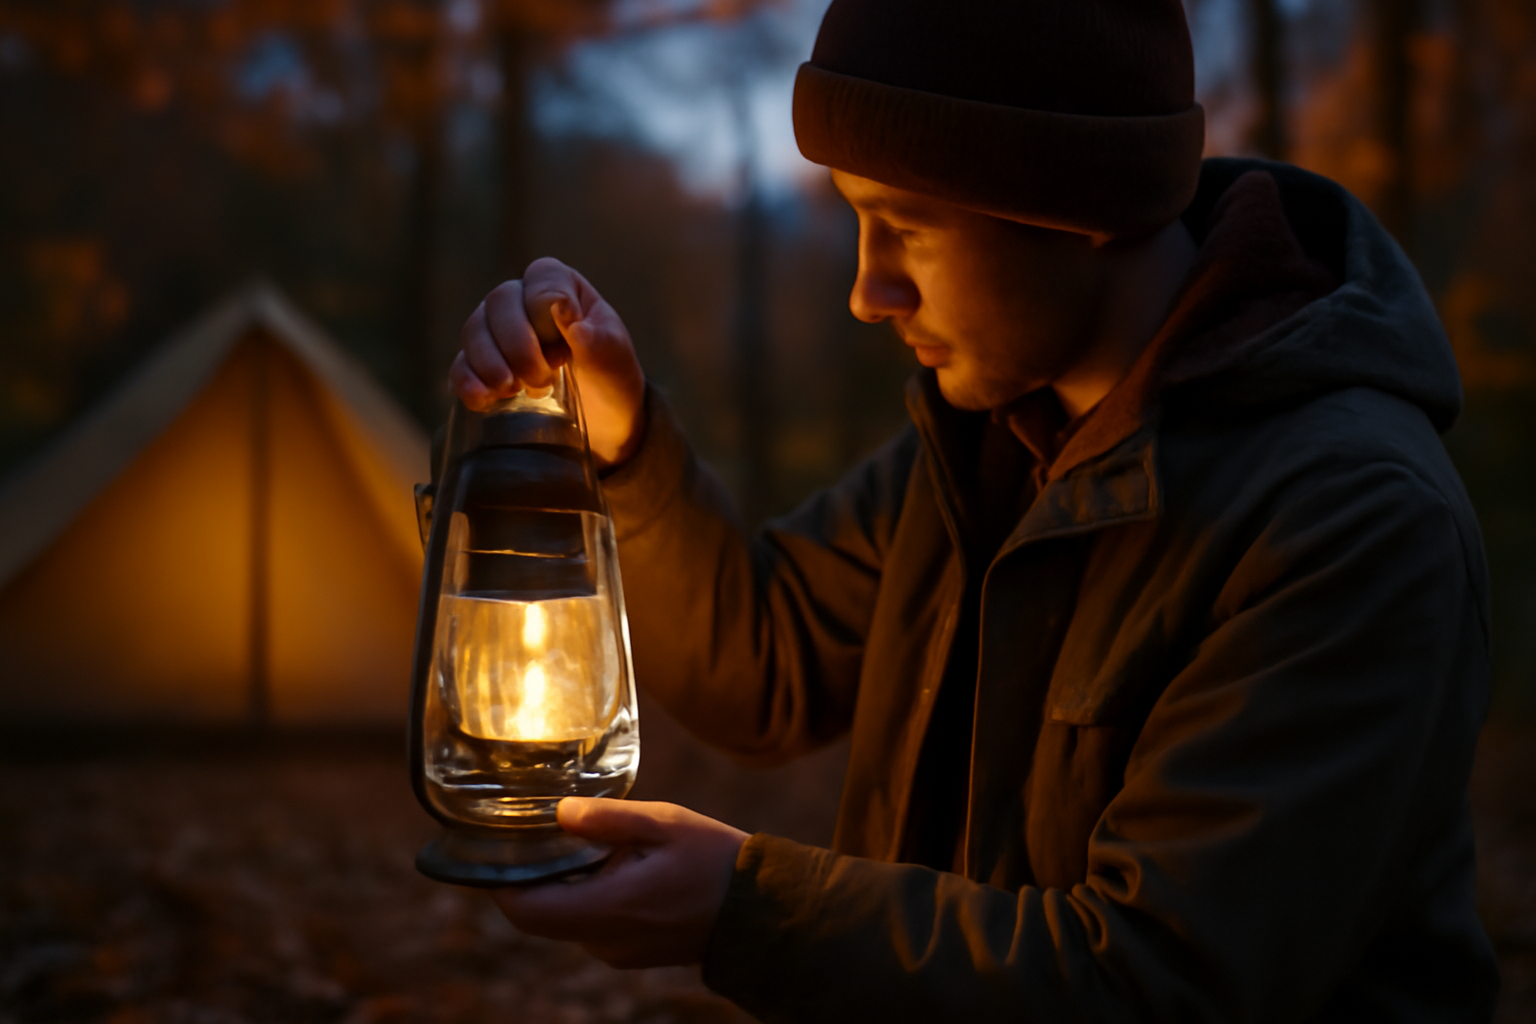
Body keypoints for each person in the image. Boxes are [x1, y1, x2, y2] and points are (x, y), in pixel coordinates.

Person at [447, 1, 1500, 1020]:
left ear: (1081, 206)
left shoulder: (1348, 519)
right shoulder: (990, 443)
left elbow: (1161, 980)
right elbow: (761, 665)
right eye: (856, 220)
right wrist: (625, 442)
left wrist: (747, 905)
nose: (869, 291)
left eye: (905, 225)